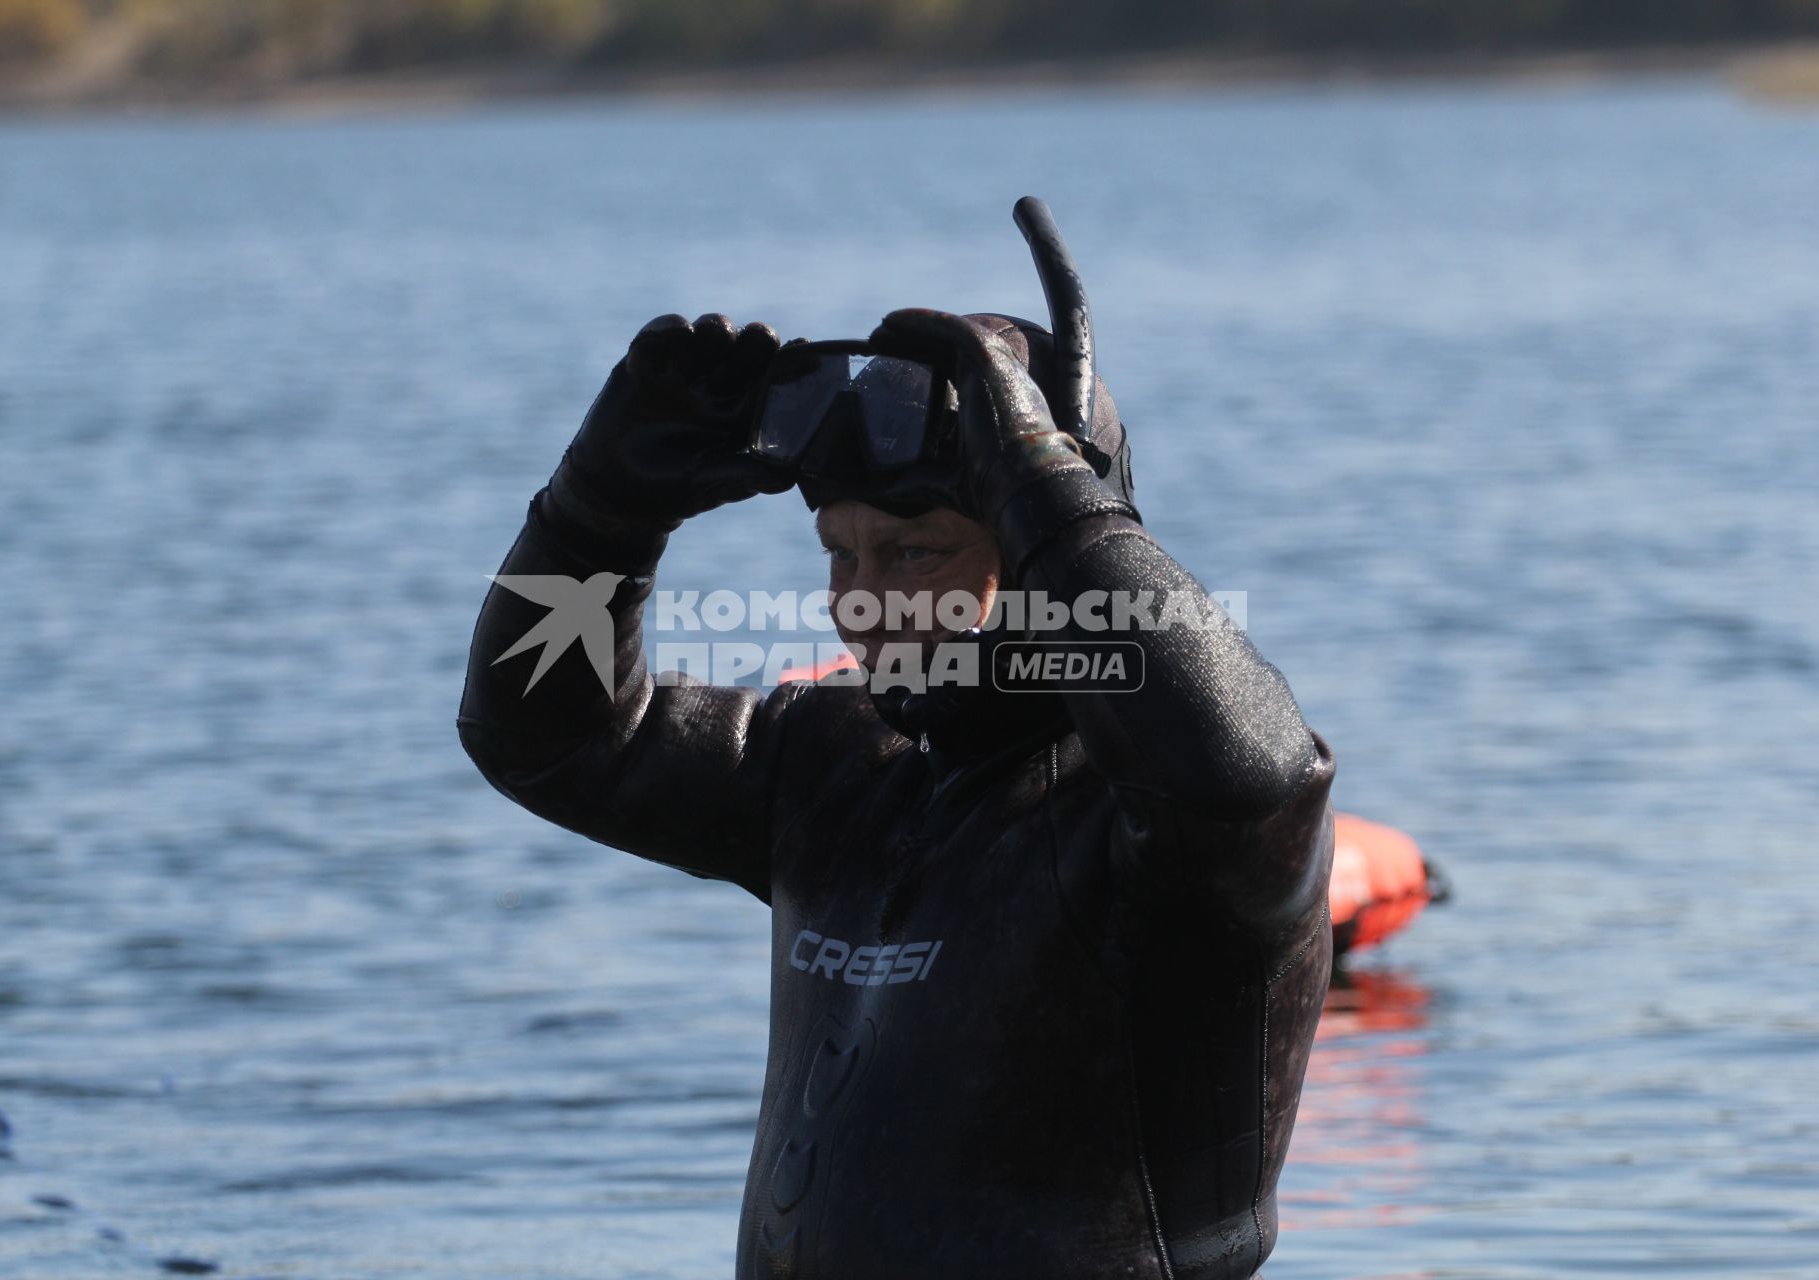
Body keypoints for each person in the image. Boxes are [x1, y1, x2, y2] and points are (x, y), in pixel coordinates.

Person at [458, 201, 1334, 1279]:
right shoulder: (833, 766)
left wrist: (1059, 499)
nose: (861, 606)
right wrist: (600, 510)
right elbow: (551, 738)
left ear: (1051, 545)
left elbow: (1254, 781)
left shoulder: (1169, 839)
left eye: (914, 553)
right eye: (841, 555)